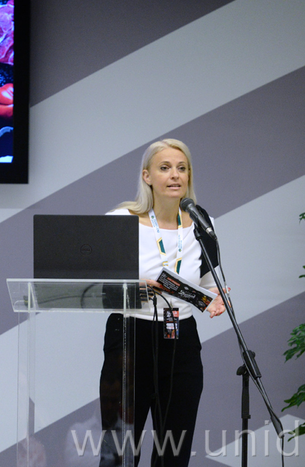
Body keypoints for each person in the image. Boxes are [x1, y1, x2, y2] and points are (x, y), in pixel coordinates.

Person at [99, 139, 226, 467]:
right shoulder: (121, 219)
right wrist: (133, 287)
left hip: (181, 340)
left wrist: (216, 298)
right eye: (165, 168)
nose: (175, 175)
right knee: (119, 452)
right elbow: (97, 288)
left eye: (182, 168)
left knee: (174, 453)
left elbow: (209, 284)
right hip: (129, 338)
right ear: (147, 176)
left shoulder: (202, 223)